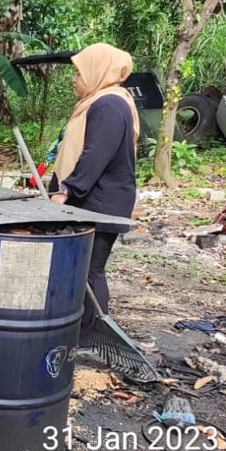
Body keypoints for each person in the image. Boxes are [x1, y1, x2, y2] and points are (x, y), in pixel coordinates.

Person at [48, 42, 139, 346]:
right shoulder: (98, 102)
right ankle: (79, 333)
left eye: (78, 72)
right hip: (94, 201)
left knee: (90, 272)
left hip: (100, 203)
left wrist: (68, 189)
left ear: (97, 71)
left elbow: (95, 155)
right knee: (82, 272)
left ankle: (89, 340)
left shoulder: (109, 105)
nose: (74, 78)